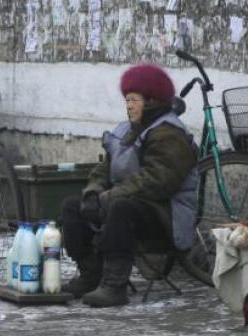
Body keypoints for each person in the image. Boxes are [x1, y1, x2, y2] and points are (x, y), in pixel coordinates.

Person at [59, 64, 198, 307]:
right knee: (73, 206)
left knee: (121, 208)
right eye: (126, 100)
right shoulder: (125, 130)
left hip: (165, 215)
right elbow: (104, 168)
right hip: (127, 202)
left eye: (133, 99)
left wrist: (111, 196)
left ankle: (114, 285)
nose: (128, 105)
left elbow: (157, 180)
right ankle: (91, 275)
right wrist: (94, 193)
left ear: (152, 100)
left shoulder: (169, 133)